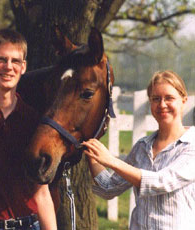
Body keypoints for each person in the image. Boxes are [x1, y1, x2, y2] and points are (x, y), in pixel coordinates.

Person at [0, 29, 57, 230]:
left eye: (15, 61)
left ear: (23, 67)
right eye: (1, 59)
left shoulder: (35, 122)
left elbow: (41, 194)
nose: (8, 67)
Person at [83, 70, 195, 230]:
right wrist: (92, 152)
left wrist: (111, 161)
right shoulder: (142, 147)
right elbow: (108, 188)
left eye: (169, 98)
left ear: (184, 101)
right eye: (156, 99)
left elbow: (160, 182)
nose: (162, 104)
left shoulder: (191, 145)